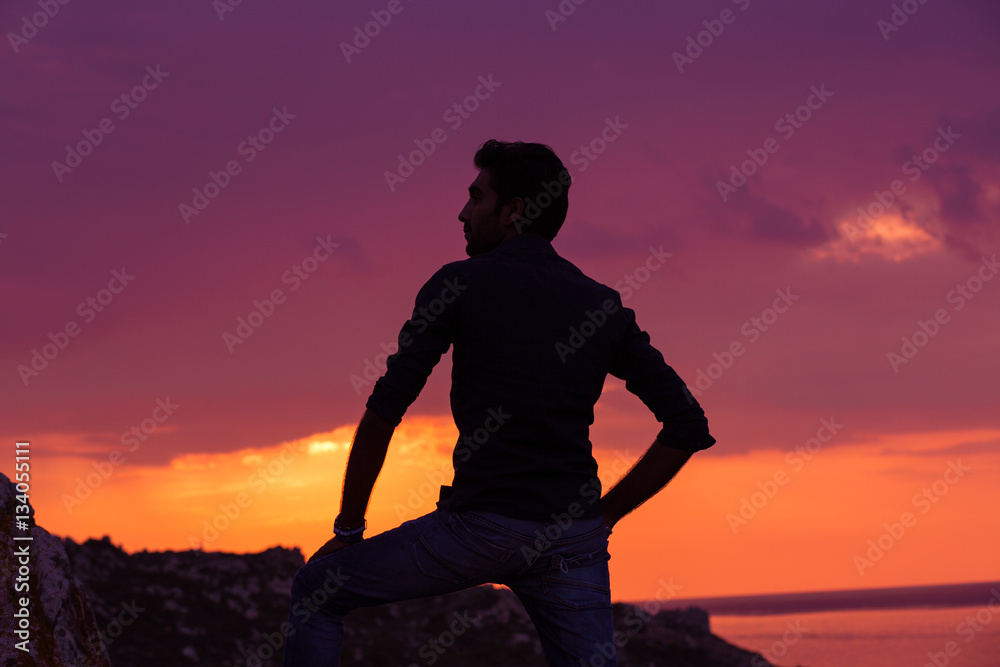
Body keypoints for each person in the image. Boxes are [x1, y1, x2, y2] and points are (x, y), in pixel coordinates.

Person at [282, 140, 716, 666]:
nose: (462, 213)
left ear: (513, 211)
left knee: (316, 591)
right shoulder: (601, 304)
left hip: (478, 530)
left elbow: (385, 411)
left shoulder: (460, 284)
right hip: (572, 539)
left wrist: (349, 528)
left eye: (476, 197)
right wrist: (603, 518)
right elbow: (687, 425)